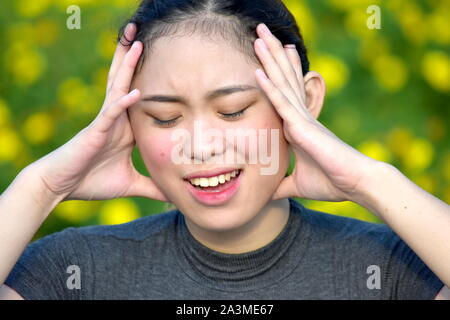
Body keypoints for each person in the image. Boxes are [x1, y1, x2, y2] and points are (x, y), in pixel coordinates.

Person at [0, 0, 449, 300]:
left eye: (232, 110)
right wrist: (42, 187)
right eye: (165, 118)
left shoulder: (392, 271)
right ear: (128, 124)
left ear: (304, 102)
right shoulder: (76, 272)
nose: (200, 146)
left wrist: (368, 181)